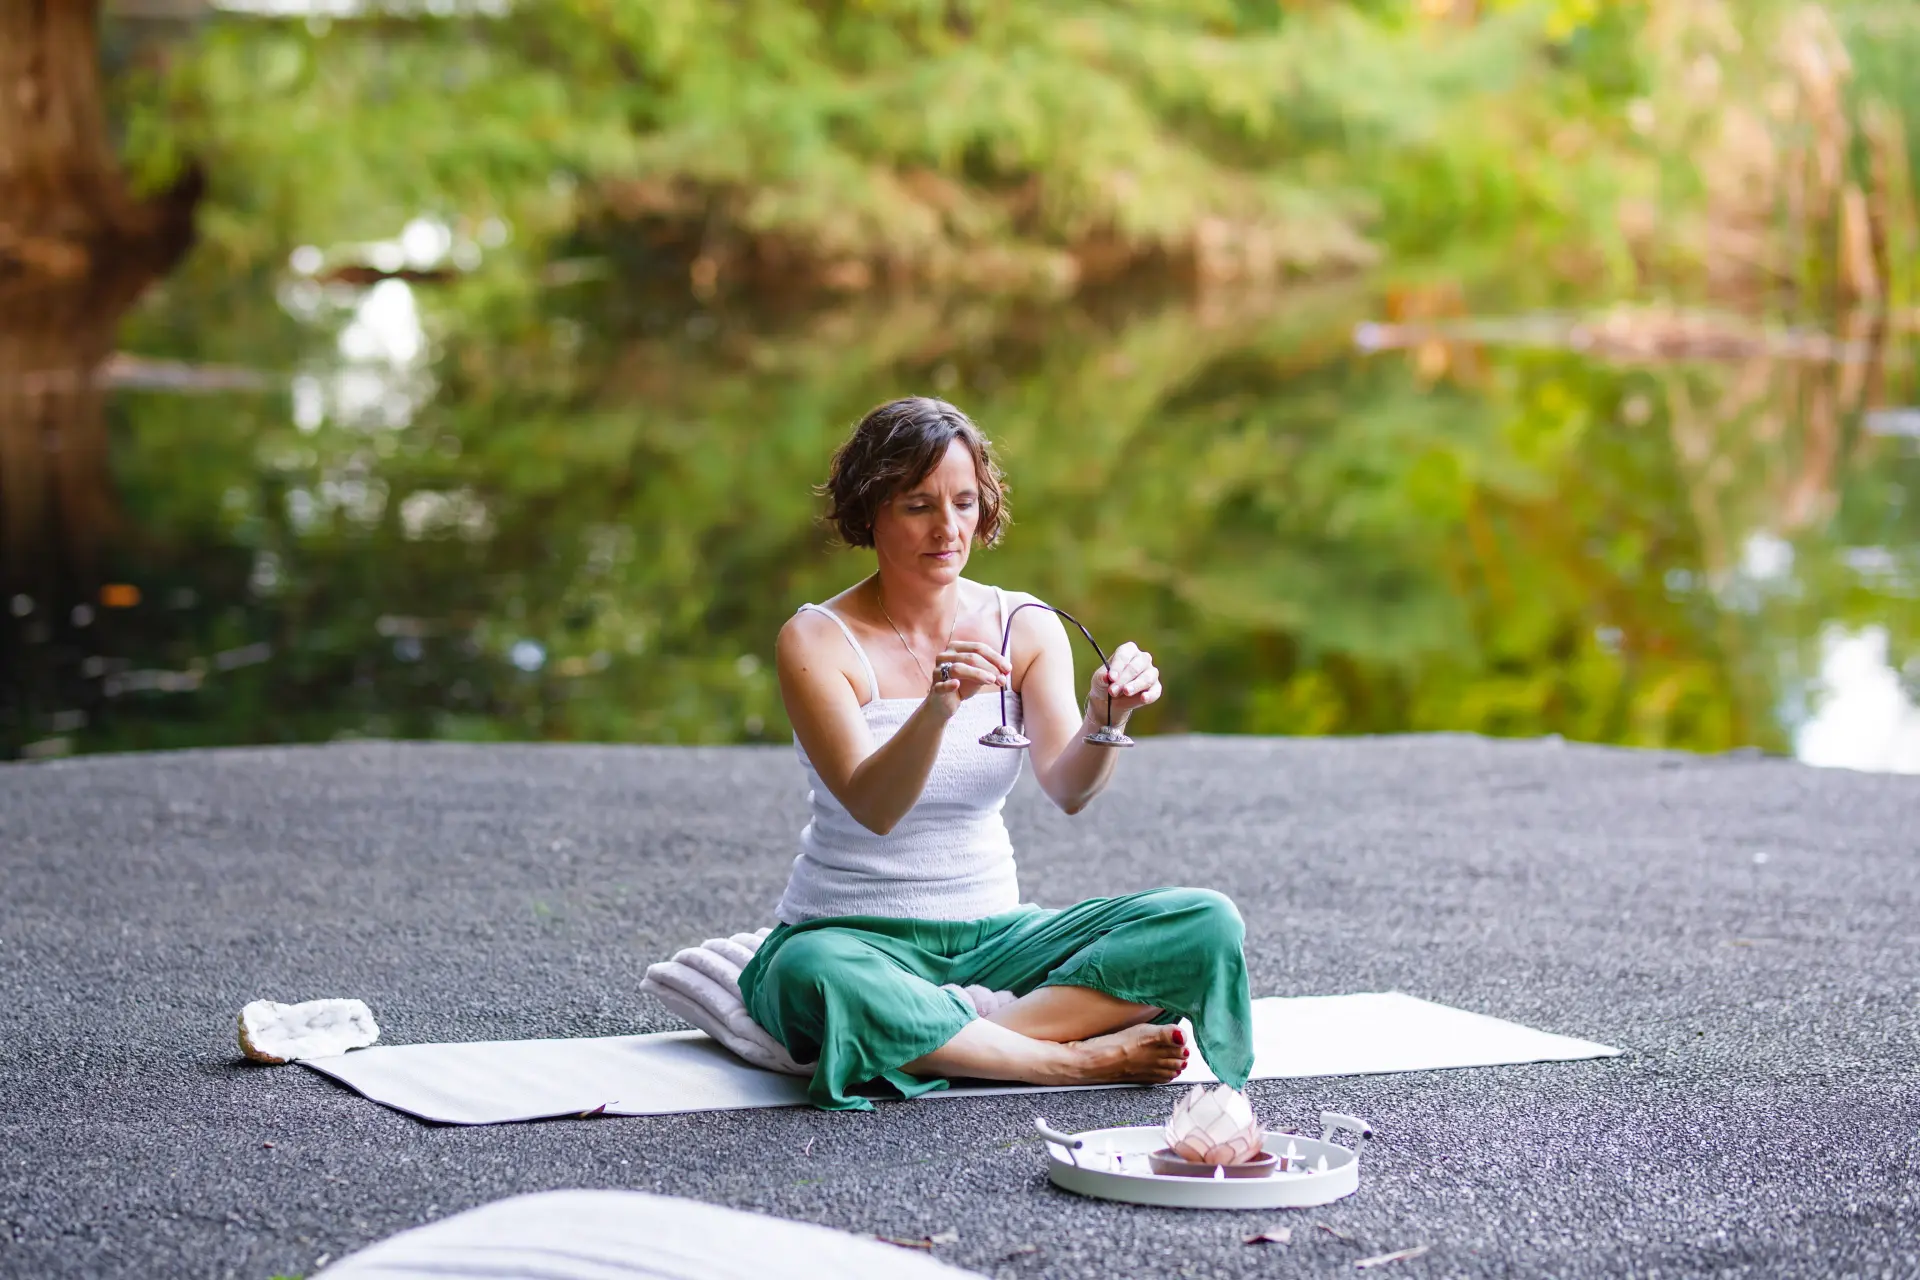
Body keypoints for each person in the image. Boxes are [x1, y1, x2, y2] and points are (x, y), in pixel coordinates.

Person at [738, 396, 1254, 1111]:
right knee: (812, 976)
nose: (948, 529)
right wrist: (939, 707)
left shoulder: (1026, 623)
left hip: (998, 938)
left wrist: (1106, 717)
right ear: (869, 511)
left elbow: (1070, 789)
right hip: (853, 935)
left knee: (1205, 923)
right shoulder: (817, 640)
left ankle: (950, 1042)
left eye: (963, 502)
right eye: (918, 506)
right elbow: (873, 806)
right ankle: (1061, 1061)